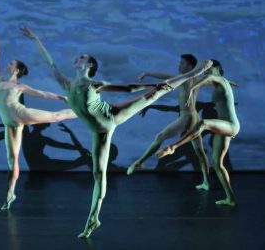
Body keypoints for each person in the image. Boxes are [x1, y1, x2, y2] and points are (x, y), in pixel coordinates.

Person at [21, 24, 212, 238]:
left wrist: (150, 87)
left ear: (89, 65)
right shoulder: (67, 84)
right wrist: (36, 38)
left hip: (113, 116)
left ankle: (195, 73)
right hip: (99, 131)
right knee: (97, 173)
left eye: (83, 57)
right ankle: (94, 218)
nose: (78, 58)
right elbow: (51, 64)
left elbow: (128, 88)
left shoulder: (94, 84)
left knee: (154, 94)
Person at [0, 28, 77, 210]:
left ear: (17, 70)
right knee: (13, 160)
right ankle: (11, 193)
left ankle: (81, 110)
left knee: (55, 116)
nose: (7, 65)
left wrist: (60, 97)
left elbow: (41, 94)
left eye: (11, 64)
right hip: (9, 124)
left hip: (21, 114)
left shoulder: (21, 86)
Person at [158, 60, 240, 207]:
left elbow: (209, 78)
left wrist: (191, 91)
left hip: (230, 126)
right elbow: (210, 80)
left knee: (203, 123)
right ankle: (230, 198)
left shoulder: (219, 79)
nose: (205, 70)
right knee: (217, 163)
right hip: (223, 127)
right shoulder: (222, 81)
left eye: (208, 67)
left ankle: (173, 147)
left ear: (216, 68)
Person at [126, 54, 210, 191]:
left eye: (182, 63)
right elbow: (167, 76)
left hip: (187, 116)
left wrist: (148, 73)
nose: (179, 65)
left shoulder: (187, 79)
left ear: (190, 66)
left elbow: (166, 76)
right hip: (192, 116)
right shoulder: (192, 78)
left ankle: (139, 162)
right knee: (199, 151)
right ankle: (206, 182)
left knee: (160, 137)